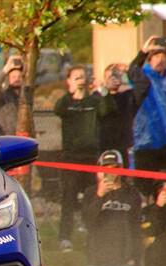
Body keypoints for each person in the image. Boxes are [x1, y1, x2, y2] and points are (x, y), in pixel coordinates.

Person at [54, 66, 113, 251]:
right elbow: (58, 109)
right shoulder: (67, 103)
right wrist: (71, 93)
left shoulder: (94, 101)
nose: (81, 80)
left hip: (91, 157)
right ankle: (65, 237)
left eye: (83, 77)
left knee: (93, 194)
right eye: (76, 77)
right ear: (69, 81)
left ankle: (93, 234)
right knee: (69, 198)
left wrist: (102, 89)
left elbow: (107, 110)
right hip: (71, 157)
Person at [128, 36, 166, 199]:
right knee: (144, 186)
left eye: (163, 57)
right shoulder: (143, 77)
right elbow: (132, 71)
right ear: (150, 59)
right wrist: (143, 51)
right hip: (145, 142)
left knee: (165, 186)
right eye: (156, 56)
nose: (160, 60)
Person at [82, 149, 142, 266]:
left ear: (121, 169)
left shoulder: (132, 193)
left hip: (124, 260)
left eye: (114, 167)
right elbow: (88, 221)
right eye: (106, 167)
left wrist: (134, 257)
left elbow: (136, 228)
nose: (110, 171)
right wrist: (100, 195)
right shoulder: (91, 193)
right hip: (97, 260)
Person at [94, 63, 135, 162]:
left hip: (122, 146)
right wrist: (105, 90)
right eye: (109, 77)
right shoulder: (96, 97)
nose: (113, 80)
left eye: (116, 76)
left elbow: (142, 85)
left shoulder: (127, 97)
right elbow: (104, 110)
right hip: (102, 146)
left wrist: (129, 70)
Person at [0, 54, 28, 135]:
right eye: (13, 77)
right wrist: (5, 70)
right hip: (6, 138)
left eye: (19, 76)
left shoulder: (26, 96)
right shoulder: (1, 97)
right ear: (8, 79)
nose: (17, 79)